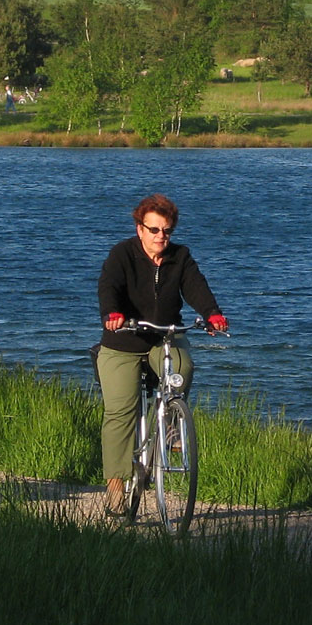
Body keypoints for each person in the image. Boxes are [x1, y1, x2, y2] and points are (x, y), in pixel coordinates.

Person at [94, 193, 226, 515]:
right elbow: (108, 286)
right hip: (122, 340)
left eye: (166, 230)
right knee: (119, 413)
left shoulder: (180, 257)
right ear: (140, 229)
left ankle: (169, 428)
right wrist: (112, 313)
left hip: (164, 336)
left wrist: (212, 313)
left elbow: (196, 286)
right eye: (153, 230)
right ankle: (115, 489)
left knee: (183, 367)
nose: (160, 237)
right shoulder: (121, 254)